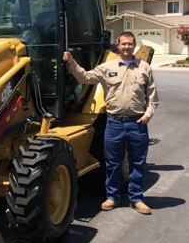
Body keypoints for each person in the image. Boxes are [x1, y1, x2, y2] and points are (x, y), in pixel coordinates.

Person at [63, 31, 159, 215]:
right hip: (114, 123)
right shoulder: (106, 67)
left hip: (137, 123)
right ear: (118, 45)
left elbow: (153, 97)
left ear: (134, 45)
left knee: (137, 162)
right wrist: (71, 63)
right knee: (113, 163)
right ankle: (112, 197)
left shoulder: (144, 68)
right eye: (123, 44)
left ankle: (137, 199)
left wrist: (147, 116)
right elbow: (85, 77)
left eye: (130, 44)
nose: (126, 47)